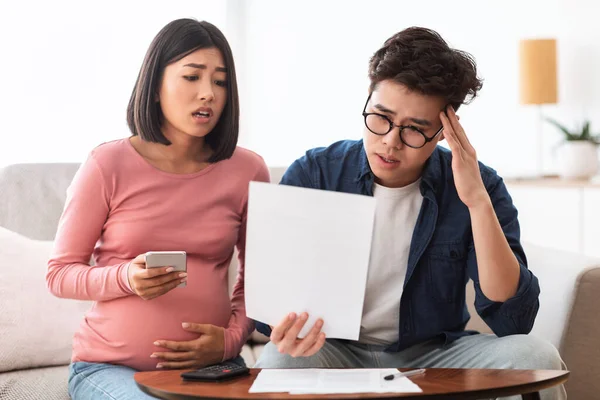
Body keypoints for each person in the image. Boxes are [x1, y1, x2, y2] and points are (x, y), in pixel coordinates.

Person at [254, 27, 565, 400]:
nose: (390, 141)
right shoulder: (315, 172)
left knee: (537, 357)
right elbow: (269, 299)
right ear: (367, 99)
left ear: (444, 132)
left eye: (415, 130)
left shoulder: (480, 185)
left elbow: (511, 318)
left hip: (435, 355)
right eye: (381, 118)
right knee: (277, 361)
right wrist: (286, 327)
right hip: (335, 350)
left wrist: (477, 202)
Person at [46, 18, 269, 399]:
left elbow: (261, 281)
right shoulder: (107, 164)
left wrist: (231, 340)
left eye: (219, 81)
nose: (208, 94)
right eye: (192, 77)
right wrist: (125, 278)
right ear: (154, 87)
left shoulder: (247, 170)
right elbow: (60, 274)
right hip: (110, 368)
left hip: (211, 370)